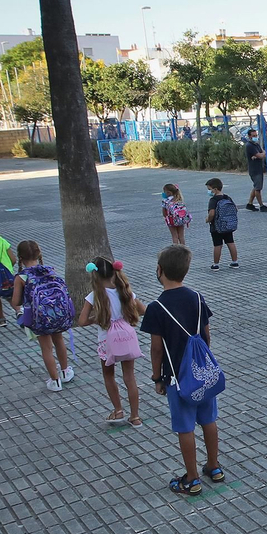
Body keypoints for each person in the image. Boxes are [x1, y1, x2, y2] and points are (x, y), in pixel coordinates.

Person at [143, 244, 224, 494]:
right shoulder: (197, 298)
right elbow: (206, 335)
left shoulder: (156, 307)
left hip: (177, 378)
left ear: (160, 270)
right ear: (185, 271)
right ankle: (214, 466)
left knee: (185, 426)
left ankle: (192, 478)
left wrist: (157, 377)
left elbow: (157, 348)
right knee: (209, 420)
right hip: (203, 373)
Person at [76, 256, 144, 426]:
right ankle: (135, 416)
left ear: (94, 275)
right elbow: (143, 310)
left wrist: (97, 318)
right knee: (129, 376)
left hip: (107, 341)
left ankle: (118, 410)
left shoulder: (93, 296)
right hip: (126, 337)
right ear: (115, 272)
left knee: (109, 375)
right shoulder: (125, 292)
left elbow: (81, 321)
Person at [11, 240, 76, 388]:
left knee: (46, 348)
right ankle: (65, 372)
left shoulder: (21, 277)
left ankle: (55, 381)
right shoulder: (50, 270)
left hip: (38, 319)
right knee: (59, 341)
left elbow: (16, 301)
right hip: (56, 315)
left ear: (20, 257)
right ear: (39, 254)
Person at [205, 178, 240, 270]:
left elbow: (212, 213)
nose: (208, 191)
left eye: (209, 189)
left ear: (215, 189)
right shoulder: (227, 198)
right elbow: (235, 209)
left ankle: (216, 264)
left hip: (216, 226)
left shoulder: (213, 200)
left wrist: (208, 219)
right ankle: (235, 262)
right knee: (230, 242)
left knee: (217, 245)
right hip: (228, 224)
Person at [244, 129, 267, 211]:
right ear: (249, 136)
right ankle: (261, 205)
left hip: (259, 168)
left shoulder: (256, 144)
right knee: (258, 188)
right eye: (253, 136)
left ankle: (250, 204)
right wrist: (261, 154)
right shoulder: (250, 146)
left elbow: (262, 152)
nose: (255, 137)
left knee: (256, 187)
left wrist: (260, 154)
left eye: (256, 135)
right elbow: (261, 155)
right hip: (255, 170)